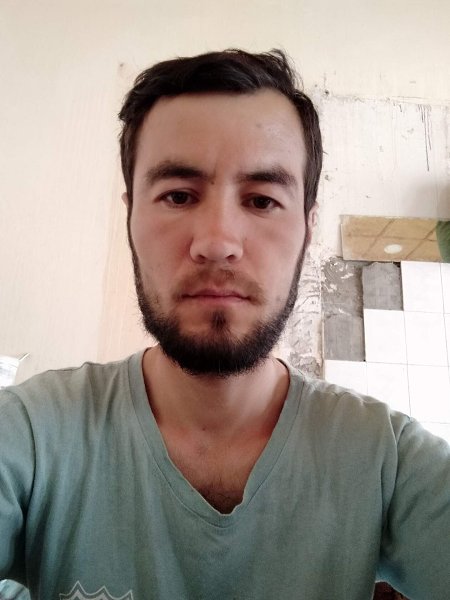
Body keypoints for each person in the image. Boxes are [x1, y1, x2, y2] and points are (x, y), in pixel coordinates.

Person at [0, 49, 449, 600]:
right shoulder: (30, 434)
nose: (217, 242)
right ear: (131, 215)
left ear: (308, 228)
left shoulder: (390, 461)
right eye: (178, 196)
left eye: (261, 200)